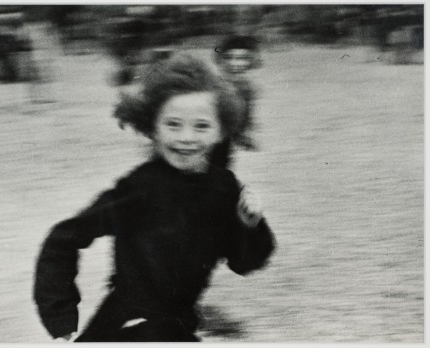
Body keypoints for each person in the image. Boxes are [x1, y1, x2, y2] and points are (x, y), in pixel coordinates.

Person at [33, 53, 275, 342]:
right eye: (173, 124)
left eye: (201, 126)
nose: (186, 137)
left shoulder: (224, 187)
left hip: (178, 324)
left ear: (220, 130)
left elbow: (243, 263)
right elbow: (63, 238)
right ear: (152, 128)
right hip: (126, 323)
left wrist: (250, 225)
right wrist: (61, 318)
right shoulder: (140, 187)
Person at [211, 34, 262, 168]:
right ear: (220, 60)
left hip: (224, 149)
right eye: (229, 58)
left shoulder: (247, 90)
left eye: (242, 58)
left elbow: (242, 125)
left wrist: (244, 137)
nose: (235, 64)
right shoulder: (210, 86)